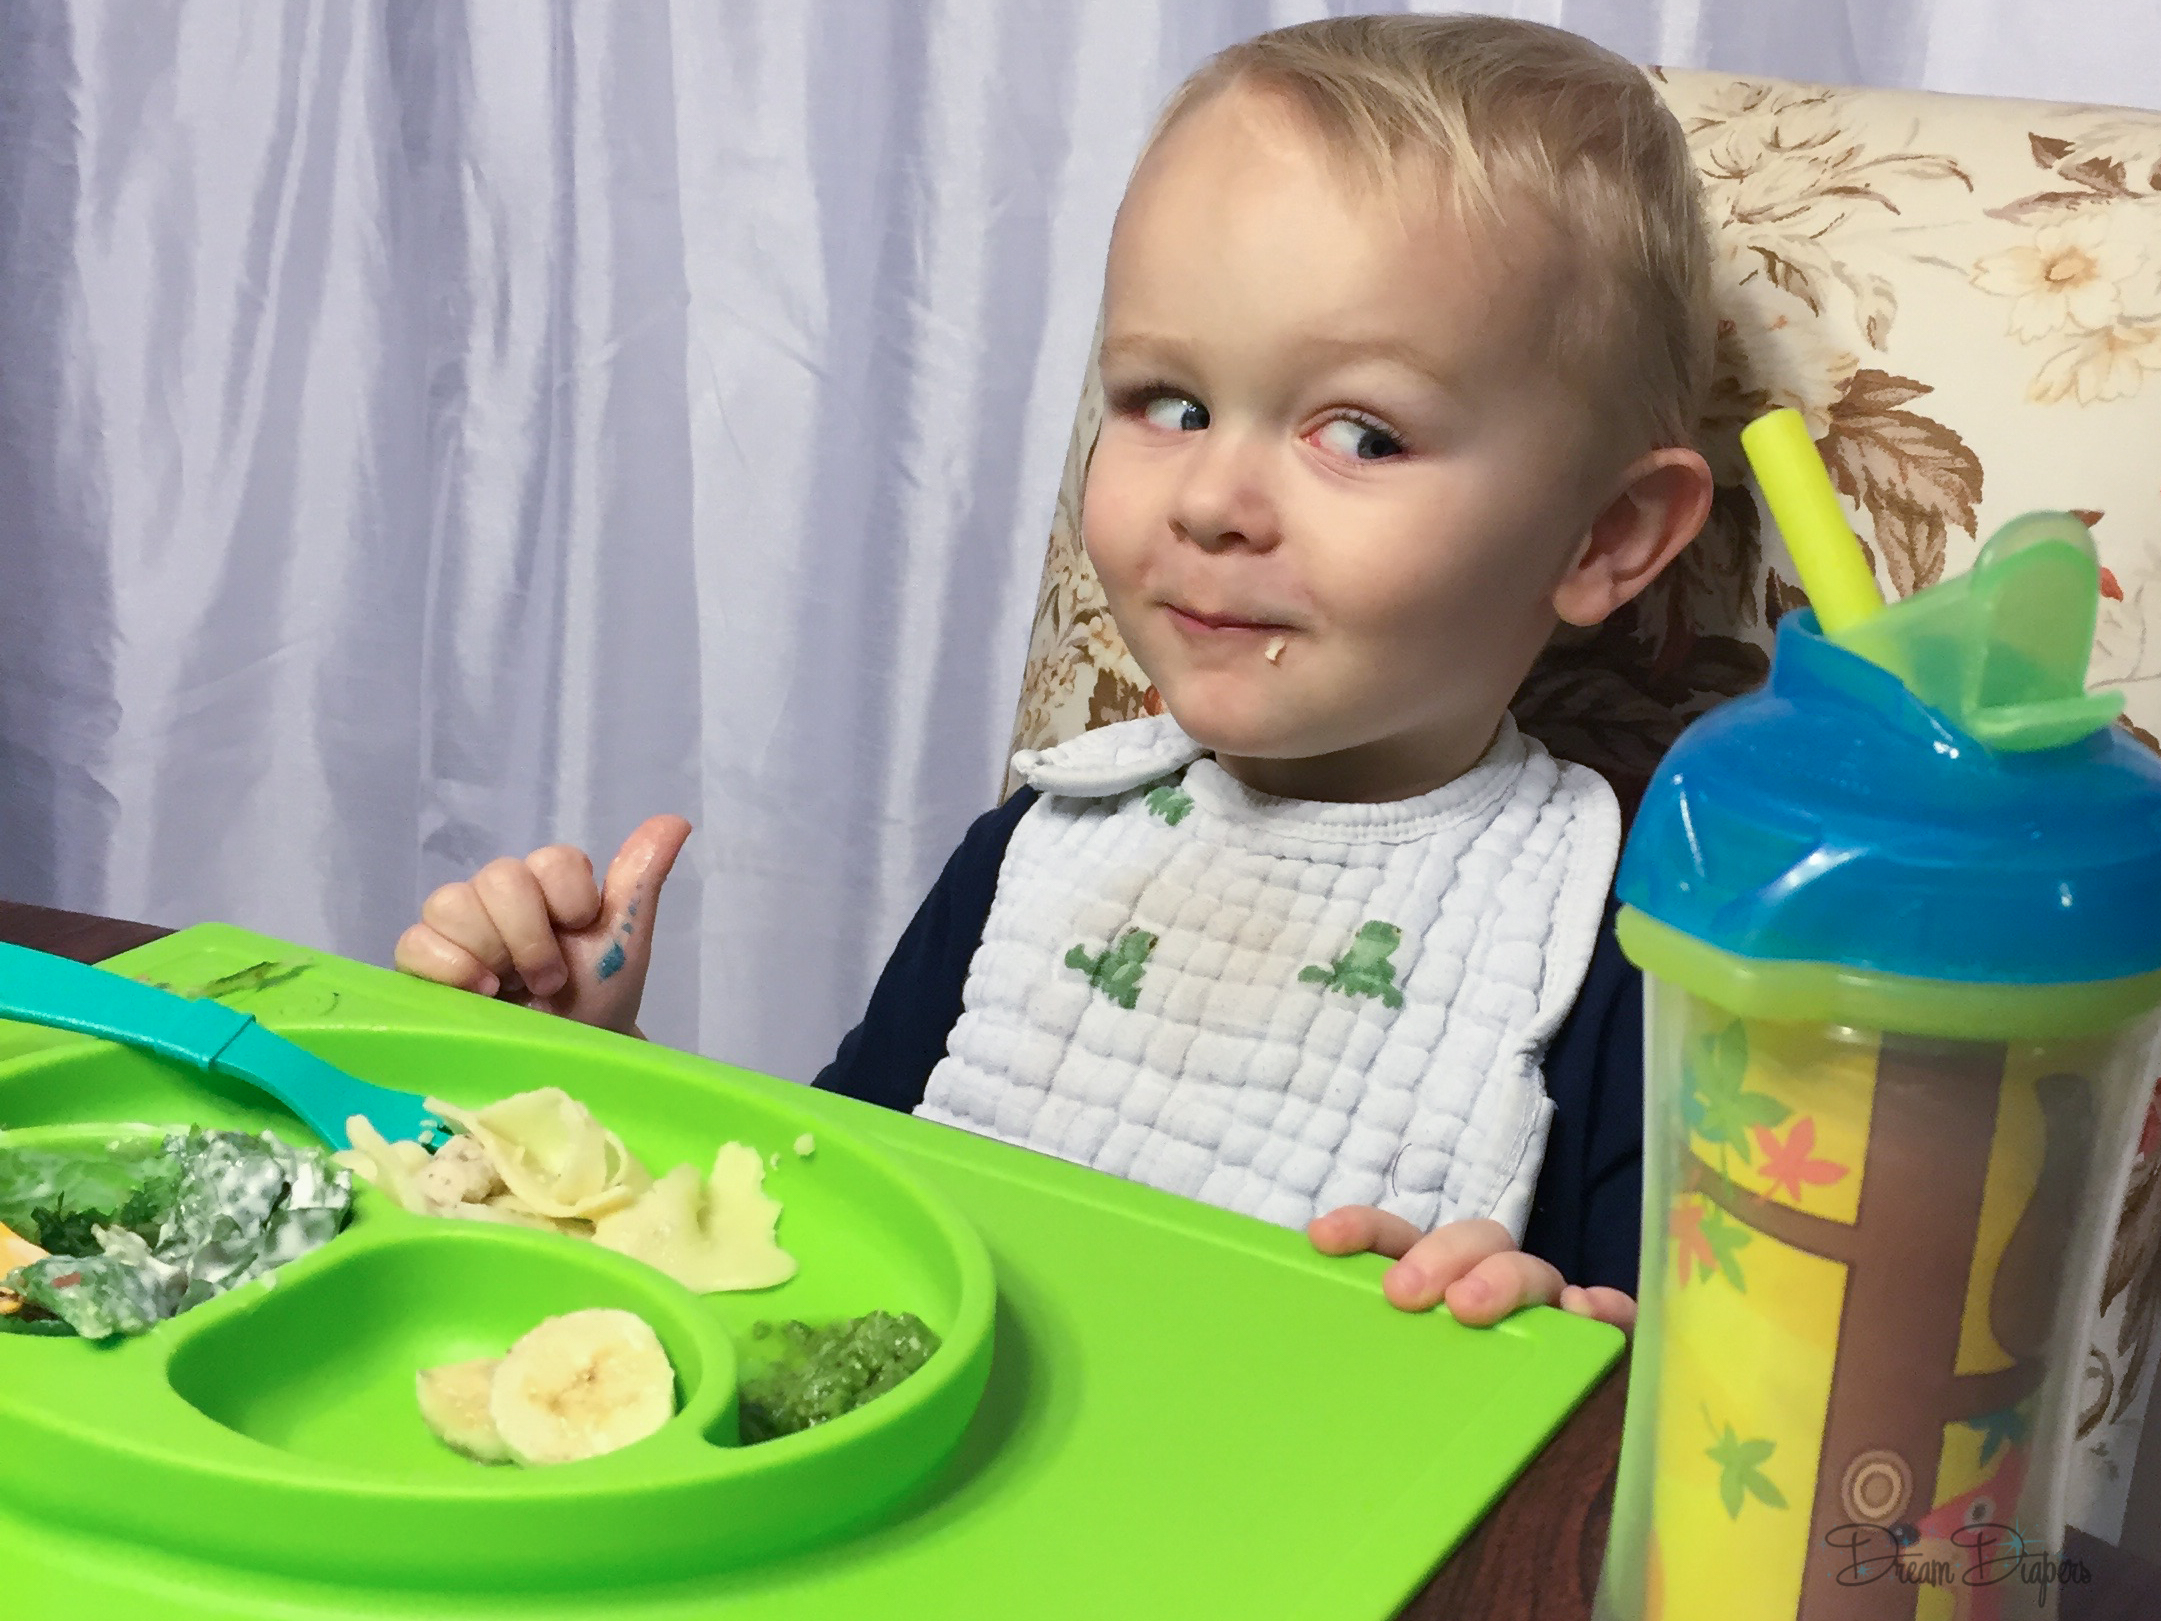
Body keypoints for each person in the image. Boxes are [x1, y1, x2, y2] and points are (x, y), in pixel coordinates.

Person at [393, 14, 1717, 1335]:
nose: (1210, 500)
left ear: (1604, 536)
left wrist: (1568, 1357)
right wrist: (584, 1074)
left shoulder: (1628, 960)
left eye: (1360, 434)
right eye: (1169, 404)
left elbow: (1690, 1404)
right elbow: (834, 1219)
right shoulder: (1041, 844)